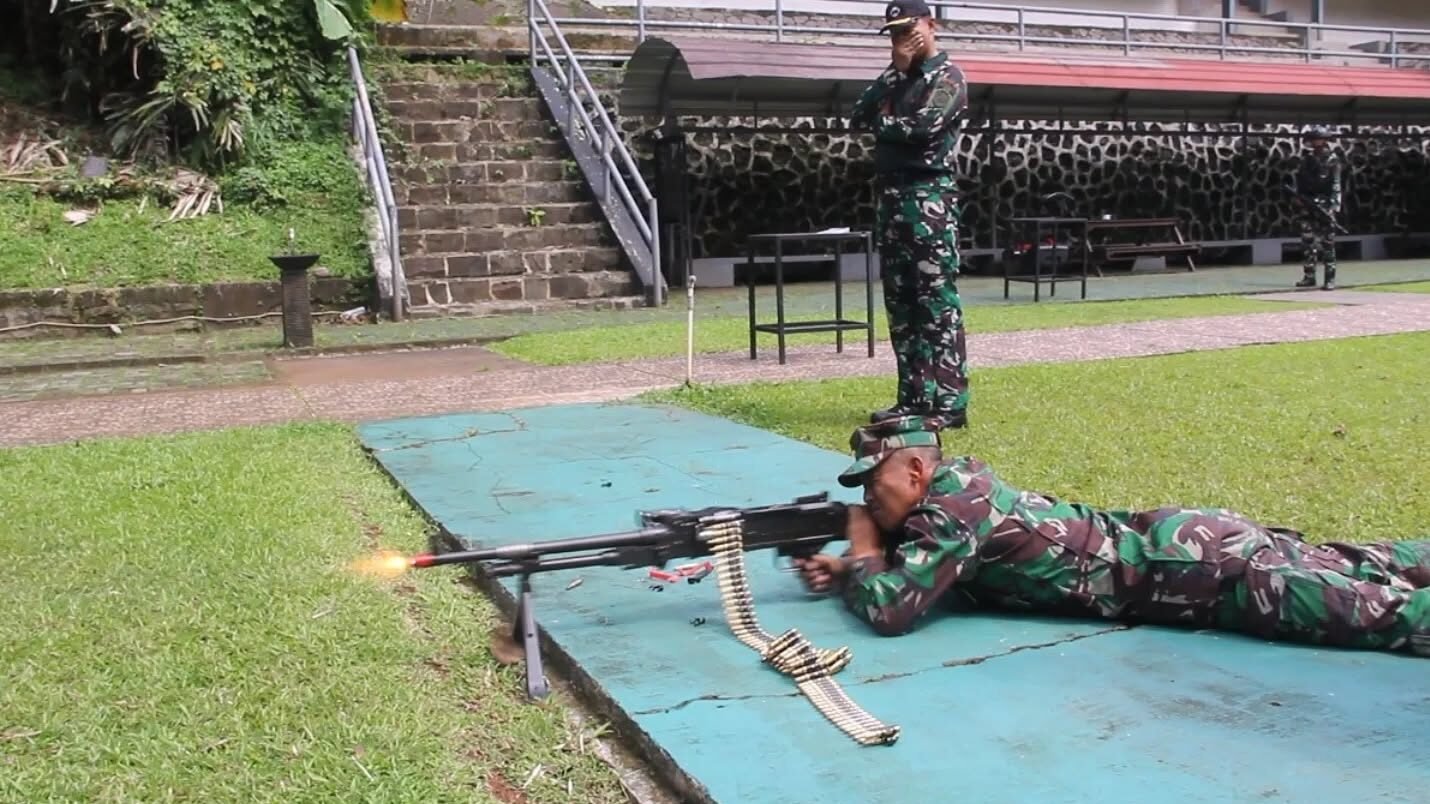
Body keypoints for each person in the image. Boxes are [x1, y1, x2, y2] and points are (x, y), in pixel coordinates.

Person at [792, 415, 1430, 658]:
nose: (867, 500)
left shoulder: (952, 509)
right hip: (1188, 544)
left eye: (871, 486)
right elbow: (935, 570)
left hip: (1198, 576)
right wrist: (850, 569)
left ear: (913, 470)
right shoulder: (961, 488)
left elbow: (894, 610)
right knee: (1360, 563)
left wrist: (867, 554)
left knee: (1379, 615)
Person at [849, 0, 971, 431]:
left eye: (908, 28)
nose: (903, 38)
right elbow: (857, 115)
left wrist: (887, 125)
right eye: (895, 32)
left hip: (929, 199)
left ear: (930, 25)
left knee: (936, 304)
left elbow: (923, 129)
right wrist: (895, 74)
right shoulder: (896, 79)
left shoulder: (949, 78)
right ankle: (913, 398)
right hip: (893, 199)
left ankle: (950, 402)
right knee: (901, 304)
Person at [1292, 128, 1343, 291]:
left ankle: (1330, 279)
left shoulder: (1333, 160)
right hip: (1308, 206)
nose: (1315, 142)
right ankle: (1309, 276)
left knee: (1327, 243)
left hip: (1325, 206)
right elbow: (1300, 181)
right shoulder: (1306, 160)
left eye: (1318, 139)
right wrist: (1299, 198)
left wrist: (1333, 207)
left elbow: (1335, 185)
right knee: (1307, 242)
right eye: (1313, 139)